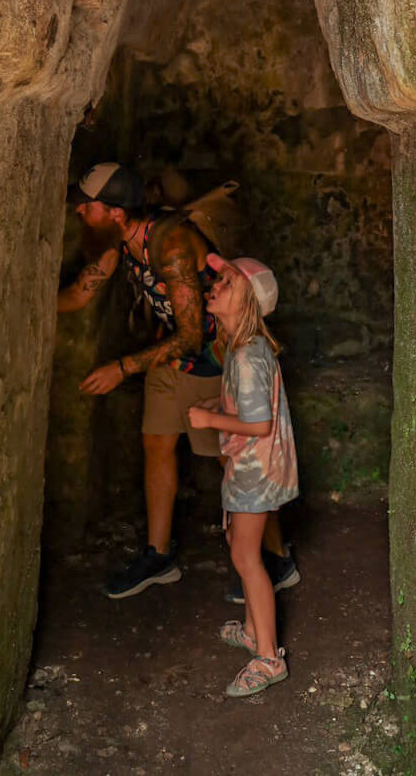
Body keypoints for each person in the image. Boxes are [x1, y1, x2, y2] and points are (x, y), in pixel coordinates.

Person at [57, 162, 298, 600]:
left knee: (236, 462)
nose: (79, 213)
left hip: (212, 363)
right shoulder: (119, 242)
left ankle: (277, 559)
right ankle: (158, 554)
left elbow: (191, 336)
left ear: (114, 212)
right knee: (157, 443)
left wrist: (123, 368)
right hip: (169, 362)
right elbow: (80, 292)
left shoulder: (169, 245)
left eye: (86, 207)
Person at [188, 254, 299, 698]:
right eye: (217, 279)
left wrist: (209, 420)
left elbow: (260, 426)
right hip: (249, 467)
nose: (214, 286)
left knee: (246, 559)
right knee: (239, 546)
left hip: (257, 470)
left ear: (248, 303)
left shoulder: (249, 357)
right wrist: (219, 413)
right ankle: (255, 630)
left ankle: (269, 657)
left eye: (228, 283)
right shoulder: (241, 349)